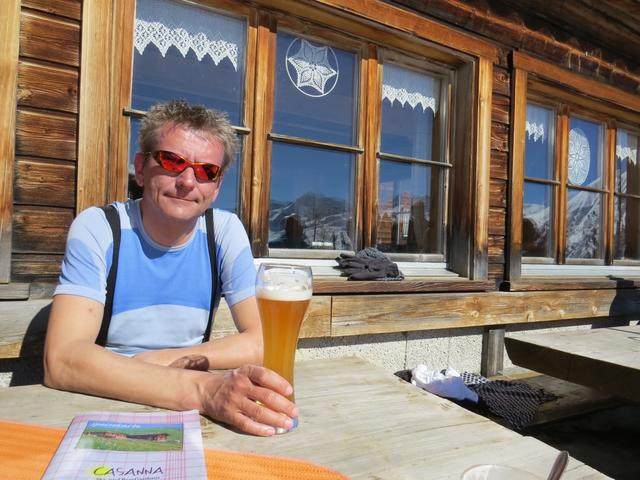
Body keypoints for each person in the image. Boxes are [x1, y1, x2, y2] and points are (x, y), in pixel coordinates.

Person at [44, 100, 297, 436]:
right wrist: (202, 390)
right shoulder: (100, 228)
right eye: (172, 161)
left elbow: (264, 340)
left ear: (217, 187)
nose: (188, 181)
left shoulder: (223, 231)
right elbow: (62, 360)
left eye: (207, 171)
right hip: (108, 399)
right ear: (141, 166)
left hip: (193, 410)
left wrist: (166, 358)